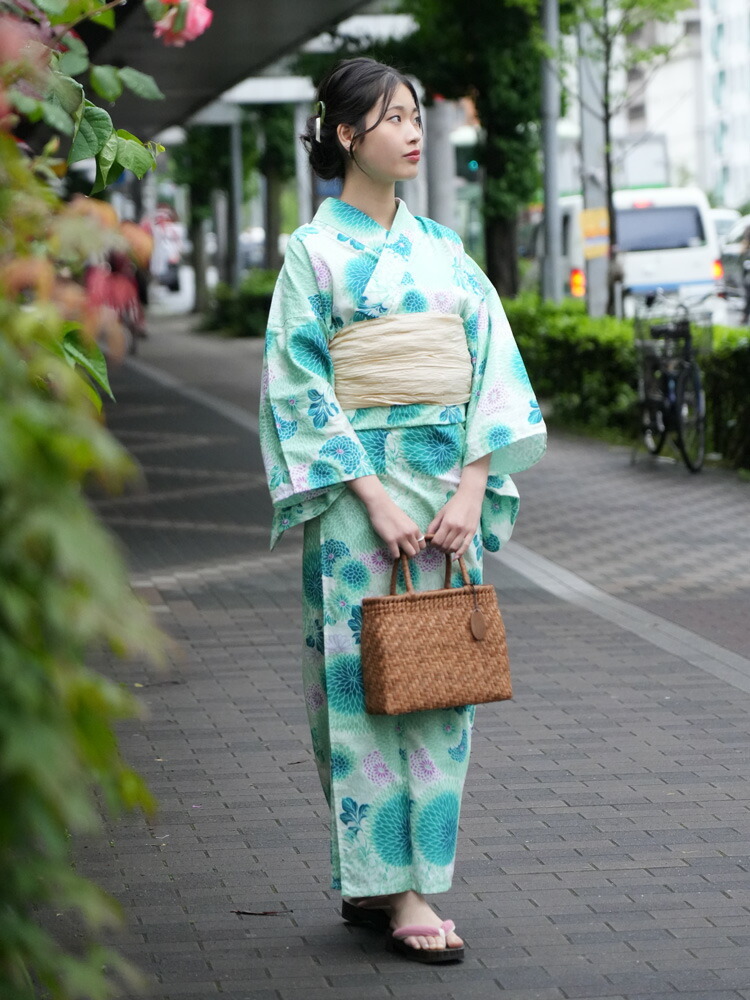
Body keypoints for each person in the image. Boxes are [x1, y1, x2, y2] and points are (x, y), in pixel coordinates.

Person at [259, 57, 547, 963]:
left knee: (440, 689)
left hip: (447, 496)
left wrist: (472, 487)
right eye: (394, 118)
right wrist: (375, 500)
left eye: (417, 114)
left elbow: (493, 369)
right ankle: (389, 885)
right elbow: (298, 386)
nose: (415, 131)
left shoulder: (445, 251)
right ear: (347, 135)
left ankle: (401, 883)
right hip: (361, 505)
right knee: (359, 693)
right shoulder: (313, 254)